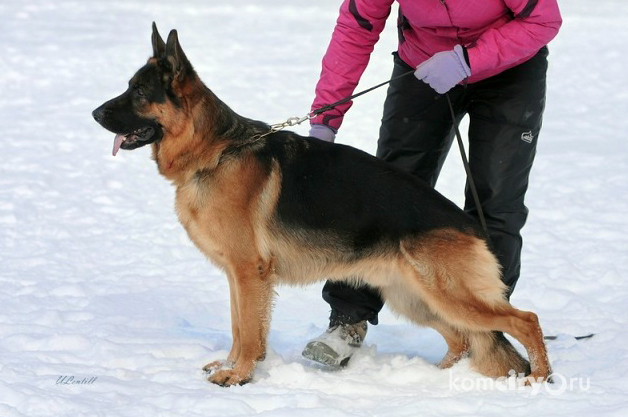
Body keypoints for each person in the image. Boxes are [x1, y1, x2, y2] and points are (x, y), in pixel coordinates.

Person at [301, 0, 562, 367]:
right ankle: (347, 320)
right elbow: (356, 28)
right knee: (384, 195)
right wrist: (325, 118)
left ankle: (484, 330)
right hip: (423, 66)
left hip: (510, 70)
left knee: (496, 200)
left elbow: (543, 19)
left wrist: (466, 61)